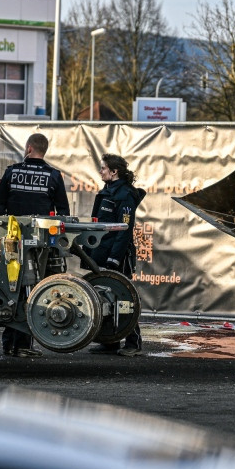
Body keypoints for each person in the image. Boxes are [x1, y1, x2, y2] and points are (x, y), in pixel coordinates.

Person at [0, 132, 70, 358]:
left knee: (10, 288)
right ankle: (24, 344)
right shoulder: (53, 175)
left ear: (28, 149)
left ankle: (9, 344)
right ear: (44, 151)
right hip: (40, 246)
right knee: (33, 290)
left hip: (11, 242)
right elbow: (63, 213)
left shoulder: (11, 171)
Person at [89, 153, 147, 357]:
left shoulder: (125, 194)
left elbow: (124, 229)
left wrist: (115, 258)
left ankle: (134, 343)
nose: (100, 171)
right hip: (103, 252)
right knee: (107, 296)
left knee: (124, 296)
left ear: (114, 172)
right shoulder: (108, 191)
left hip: (118, 255)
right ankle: (111, 341)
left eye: (103, 168)